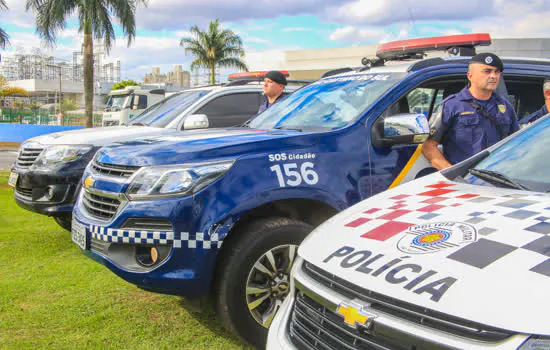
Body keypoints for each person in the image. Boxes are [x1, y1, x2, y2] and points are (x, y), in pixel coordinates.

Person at [422, 53, 519, 170]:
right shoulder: (451, 106)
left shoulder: (505, 107)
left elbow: (517, 144)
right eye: (487, 71)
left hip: (497, 178)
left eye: (497, 72)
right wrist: (452, 173)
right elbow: (428, 146)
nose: (493, 76)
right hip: (465, 180)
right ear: (470, 76)